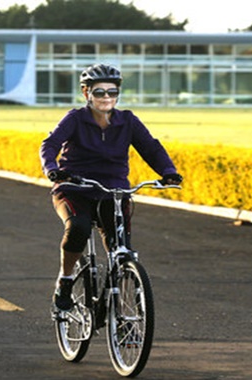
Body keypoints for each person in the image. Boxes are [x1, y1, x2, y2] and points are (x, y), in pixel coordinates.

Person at [39, 63, 183, 312]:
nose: (106, 97)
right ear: (86, 93)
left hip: (114, 192)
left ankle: (121, 310)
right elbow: (50, 144)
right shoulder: (75, 118)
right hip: (74, 188)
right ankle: (65, 279)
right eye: (99, 92)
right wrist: (52, 169)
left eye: (112, 92)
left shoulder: (128, 120)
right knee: (79, 227)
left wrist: (168, 172)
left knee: (121, 248)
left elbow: (150, 148)